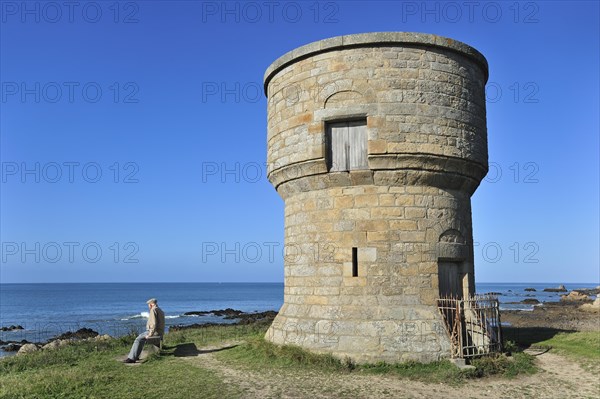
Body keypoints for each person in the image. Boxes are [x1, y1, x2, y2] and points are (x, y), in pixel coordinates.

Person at [123, 298, 165, 363]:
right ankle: (135, 356)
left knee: (138, 339)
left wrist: (150, 334)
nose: (148, 306)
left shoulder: (153, 310)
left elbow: (153, 324)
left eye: (148, 305)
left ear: (151, 304)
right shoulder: (159, 310)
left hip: (155, 332)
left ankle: (132, 358)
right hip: (160, 332)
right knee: (140, 337)